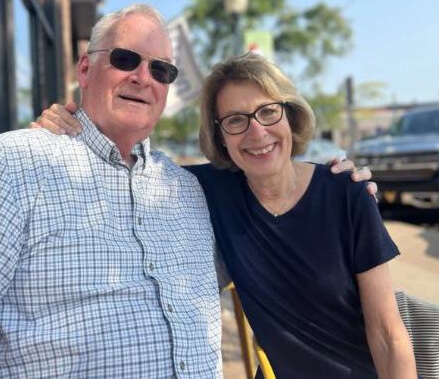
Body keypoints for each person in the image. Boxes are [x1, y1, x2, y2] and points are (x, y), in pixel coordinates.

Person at [0, 4, 371, 378]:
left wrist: (332, 181)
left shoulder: (189, 188)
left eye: (162, 69)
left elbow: (274, 187)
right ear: (85, 69)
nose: (144, 77)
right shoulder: (12, 164)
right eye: (125, 60)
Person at [35, 54, 414, 378]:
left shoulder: (344, 191)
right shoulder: (208, 190)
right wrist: (64, 126)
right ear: (219, 136)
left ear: (290, 116)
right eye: (236, 120)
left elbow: (388, 333)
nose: (257, 132)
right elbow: (123, 166)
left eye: (268, 112)